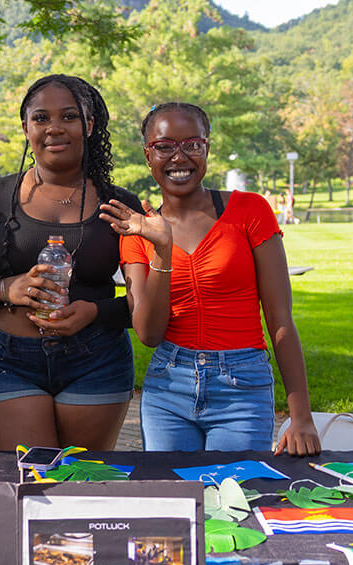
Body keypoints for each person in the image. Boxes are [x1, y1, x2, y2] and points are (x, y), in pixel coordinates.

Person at [0, 74, 141, 451]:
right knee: (24, 484)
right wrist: (5, 288)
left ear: (90, 124)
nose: (54, 129)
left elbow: (147, 307)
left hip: (96, 360)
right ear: (26, 127)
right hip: (9, 360)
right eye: (41, 118)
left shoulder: (118, 204)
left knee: (81, 486)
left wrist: (94, 312)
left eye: (68, 116)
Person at [106, 102, 321, 455]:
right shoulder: (137, 232)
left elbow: (281, 321)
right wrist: (161, 249)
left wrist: (301, 417)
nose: (179, 157)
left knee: (235, 499)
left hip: (242, 387)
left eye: (192, 144)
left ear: (207, 148)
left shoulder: (250, 211)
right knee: (174, 502)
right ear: (148, 155)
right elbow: (148, 333)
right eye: (164, 146)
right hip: (167, 388)